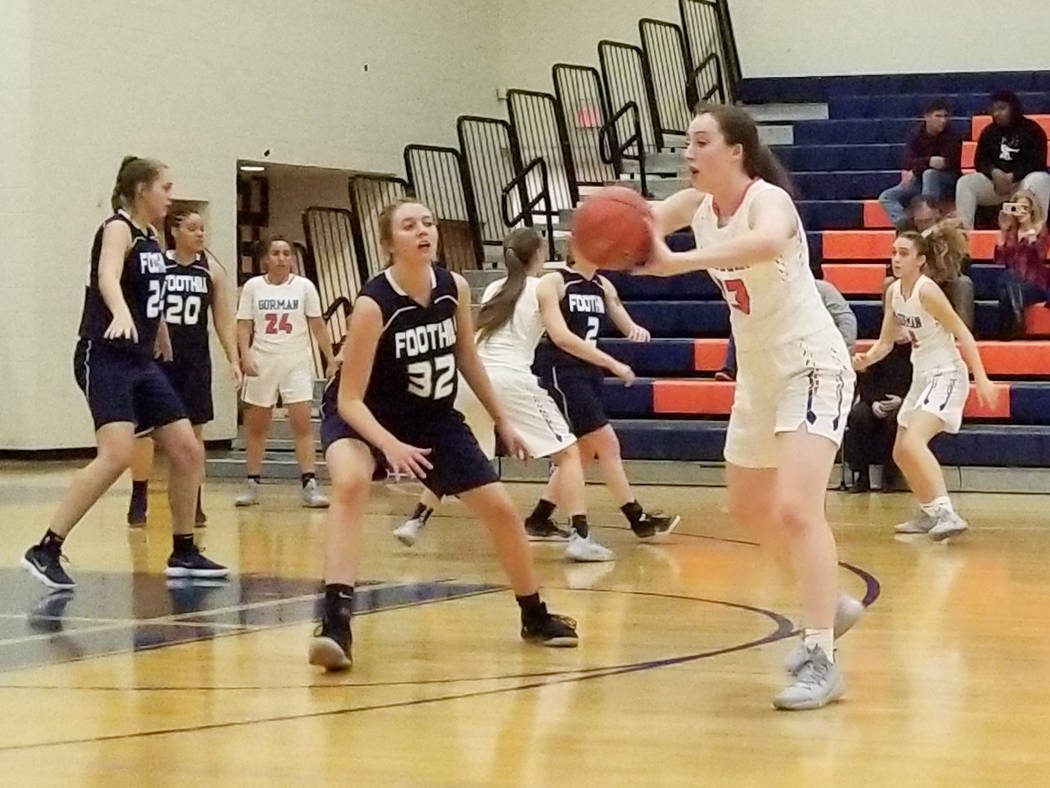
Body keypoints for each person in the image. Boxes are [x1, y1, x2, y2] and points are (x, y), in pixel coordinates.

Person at [644, 105, 864, 711]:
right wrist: (594, 237)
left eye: (701, 141)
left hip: (811, 364)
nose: (689, 152)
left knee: (796, 507)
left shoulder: (770, 201)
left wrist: (678, 262)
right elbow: (640, 225)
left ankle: (821, 655)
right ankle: (835, 603)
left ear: (735, 150)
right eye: (686, 142)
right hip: (760, 375)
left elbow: (767, 243)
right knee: (747, 507)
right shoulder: (694, 206)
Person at [309, 200, 578, 670]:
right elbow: (349, 398)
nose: (422, 231)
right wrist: (388, 446)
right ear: (389, 243)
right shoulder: (374, 304)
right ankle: (336, 622)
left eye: (428, 223)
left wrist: (502, 418)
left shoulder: (453, 288)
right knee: (350, 484)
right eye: (408, 226)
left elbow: (468, 359)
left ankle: (534, 614)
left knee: (501, 510)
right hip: (364, 414)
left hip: (431, 416)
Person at [21, 157, 228, 589]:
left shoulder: (151, 237)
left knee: (187, 449)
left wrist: (161, 332)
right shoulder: (118, 229)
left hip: (141, 360)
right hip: (106, 356)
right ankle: (46, 549)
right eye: (164, 187)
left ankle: (184, 550)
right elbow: (107, 276)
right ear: (141, 191)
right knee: (115, 454)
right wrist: (118, 312)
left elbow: (152, 292)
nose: (170, 196)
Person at [393, 228, 623, 561]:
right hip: (509, 377)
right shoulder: (545, 286)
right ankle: (580, 536)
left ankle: (415, 521)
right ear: (541, 253)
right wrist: (610, 361)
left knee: (459, 456)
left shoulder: (494, 287)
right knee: (570, 454)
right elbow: (562, 337)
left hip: (471, 380)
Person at [854, 222, 998, 540]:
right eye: (893, 252)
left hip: (946, 373)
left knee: (913, 443)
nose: (896, 258)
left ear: (920, 260)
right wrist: (865, 359)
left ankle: (947, 512)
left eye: (903, 253)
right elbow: (886, 343)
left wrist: (982, 378)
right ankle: (930, 511)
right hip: (922, 375)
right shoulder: (894, 291)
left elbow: (962, 332)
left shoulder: (927, 290)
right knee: (900, 452)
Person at [526, 252, 679, 542]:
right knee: (607, 443)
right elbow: (560, 337)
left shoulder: (604, 286)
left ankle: (539, 518)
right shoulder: (555, 282)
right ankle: (638, 519)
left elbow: (621, 316)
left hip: (589, 371)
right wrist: (613, 363)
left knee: (583, 452)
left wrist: (635, 329)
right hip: (562, 370)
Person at [126, 209, 242, 526]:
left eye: (202, 228)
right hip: (158, 360)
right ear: (175, 232)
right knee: (145, 432)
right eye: (192, 228)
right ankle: (139, 495)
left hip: (194, 361)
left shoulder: (211, 270)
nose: (200, 234)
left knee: (195, 433)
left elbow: (222, 319)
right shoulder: (158, 264)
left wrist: (233, 357)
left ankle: (195, 499)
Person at [235, 237, 336, 508]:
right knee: (256, 426)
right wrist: (244, 355)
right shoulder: (253, 287)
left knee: (302, 424)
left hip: (296, 361)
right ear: (266, 258)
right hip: (262, 360)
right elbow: (243, 325)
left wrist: (330, 358)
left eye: (286, 253)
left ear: (291, 258)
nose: (281, 258)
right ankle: (253, 482)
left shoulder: (304, 287)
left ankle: (310, 483)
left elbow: (317, 324)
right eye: (276, 253)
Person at [715, 258, 857, 381]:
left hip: (814, 349)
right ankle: (732, 368)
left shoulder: (823, 289)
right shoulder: (775, 291)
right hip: (782, 351)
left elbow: (847, 321)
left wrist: (842, 353)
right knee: (746, 319)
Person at [956, 90, 1050, 229]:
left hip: (1022, 183)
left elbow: (1037, 161)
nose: (997, 113)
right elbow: (980, 160)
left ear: (1013, 108)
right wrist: (994, 172)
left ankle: (1036, 231)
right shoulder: (989, 132)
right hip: (996, 184)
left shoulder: (1032, 130)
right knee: (965, 183)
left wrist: (1012, 176)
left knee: (1040, 179)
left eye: (1002, 108)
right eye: (994, 109)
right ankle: (963, 235)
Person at [843, 331, 912, 493]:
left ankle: (890, 476)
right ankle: (862, 476)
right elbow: (866, 383)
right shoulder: (881, 350)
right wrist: (873, 402)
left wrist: (901, 400)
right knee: (858, 415)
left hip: (906, 402)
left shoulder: (917, 354)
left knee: (898, 419)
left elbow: (920, 384)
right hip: (877, 401)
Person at [878, 99, 962, 228]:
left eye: (945, 116)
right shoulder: (915, 134)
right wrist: (928, 161)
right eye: (938, 116)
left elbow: (945, 164)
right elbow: (908, 160)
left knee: (930, 174)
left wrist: (917, 167)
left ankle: (928, 220)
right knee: (887, 197)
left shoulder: (953, 135)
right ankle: (907, 227)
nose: (943, 120)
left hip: (948, 181)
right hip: (920, 180)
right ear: (927, 117)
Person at [993, 189, 1050, 338]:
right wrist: (1003, 233)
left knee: (1006, 287)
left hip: (1033, 283)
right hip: (1012, 282)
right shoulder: (1010, 231)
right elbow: (999, 261)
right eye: (1017, 207)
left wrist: (1030, 232)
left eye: (1024, 207)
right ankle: (1017, 320)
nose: (1021, 211)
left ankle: (1006, 332)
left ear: (1032, 210)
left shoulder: (1040, 230)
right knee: (1007, 280)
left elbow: (1040, 255)